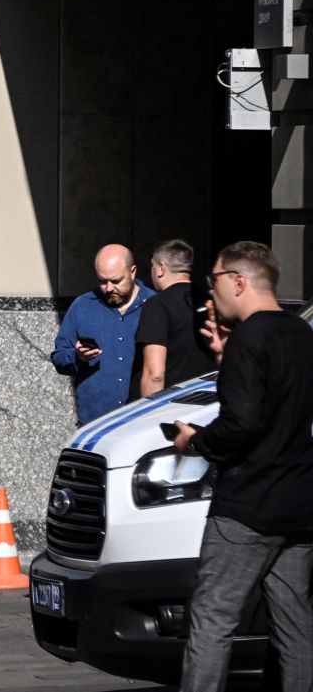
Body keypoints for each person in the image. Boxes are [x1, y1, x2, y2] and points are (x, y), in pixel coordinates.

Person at [171, 241, 313, 692]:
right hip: (299, 506)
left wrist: (194, 441)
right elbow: (277, 405)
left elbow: (242, 425)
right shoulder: (300, 334)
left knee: (212, 621)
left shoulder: (250, 338)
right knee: (296, 628)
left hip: (247, 508)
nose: (209, 295)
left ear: (239, 280)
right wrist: (222, 357)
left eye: (213, 281)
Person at [51, 243, 156, 425]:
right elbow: (59, 356)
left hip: (141, 422)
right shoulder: (82, 306)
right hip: (95, 422)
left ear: (133, 272)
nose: (108, 288)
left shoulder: (154, 305)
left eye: (116, 281)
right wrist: (77, 357)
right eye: (102, 281)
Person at [136, 239, 215, 397]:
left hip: (173, 404)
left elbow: (155, 374)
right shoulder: (212, 302)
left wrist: (148, 415)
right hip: (208, 401)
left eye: (153, 265)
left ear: (161, 268)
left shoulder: (157, 305)